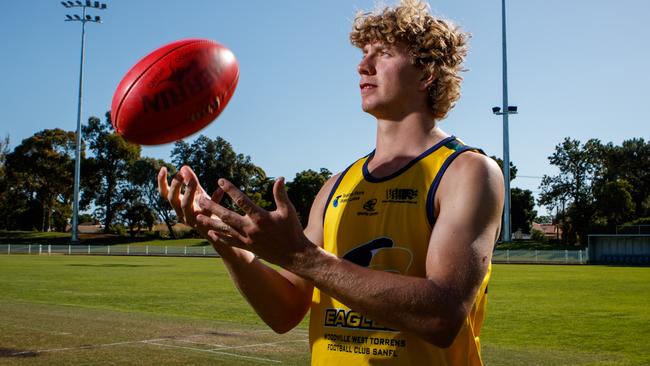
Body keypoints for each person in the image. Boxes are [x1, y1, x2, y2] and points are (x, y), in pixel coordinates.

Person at [158, 0, 504, 364]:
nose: (362, 65)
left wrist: (300, 256)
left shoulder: (467, 171)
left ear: (427, 74)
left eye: (383, 53)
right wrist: (220, 234)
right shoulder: (337, 186)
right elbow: (285, 311)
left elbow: (441, 315)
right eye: (363, 53)